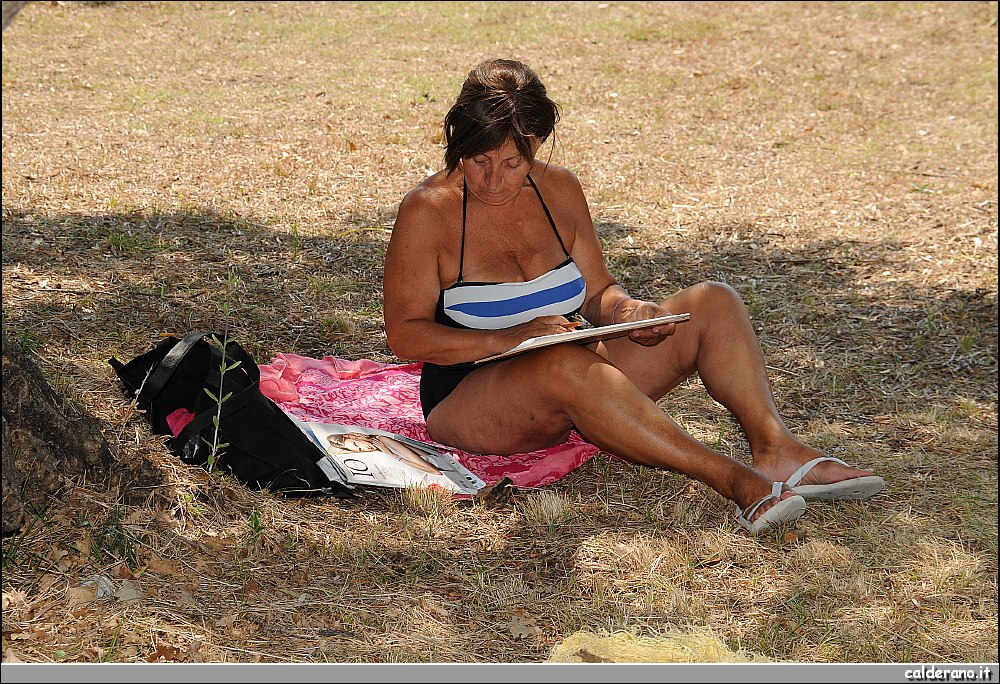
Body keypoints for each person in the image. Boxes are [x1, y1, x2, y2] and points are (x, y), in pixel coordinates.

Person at [382, 58, 884, 533]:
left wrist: (627, 310)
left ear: (537, 143)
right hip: (469, 396)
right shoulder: (428, 211)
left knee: (714, 301)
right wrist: (510, 338)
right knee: (562, 365)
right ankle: (732, 479)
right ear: (460, 143)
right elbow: (405, 335)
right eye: (479, 160)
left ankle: (777, 450)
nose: (494, 180)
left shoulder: (560, 190)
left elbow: (598, 291)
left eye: (513, 162)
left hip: (579, 368)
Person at [326, 432, 443, 476]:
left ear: (353, 436)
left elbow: (435, 471)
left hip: (443, 462)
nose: (364, 448)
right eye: (359, 449)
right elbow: (331, 450)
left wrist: (393, 456)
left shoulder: (383, 441)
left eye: (356, 444)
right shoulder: (381, 447)